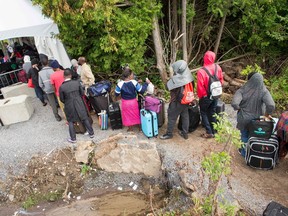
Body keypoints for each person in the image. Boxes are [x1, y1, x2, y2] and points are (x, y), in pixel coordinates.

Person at [231, 72, 275, 157]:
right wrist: (266, 114)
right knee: (255, 135)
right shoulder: (264, 91)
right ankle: (253, 152)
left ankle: (244, 153)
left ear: (249, 80)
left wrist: (239, 109)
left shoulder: (242, 90)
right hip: (257, 120)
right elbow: (271, 105)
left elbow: (234, 103)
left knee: (244, 135)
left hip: (243, 118)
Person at [160, 60, 194, 140]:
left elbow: (168, 87)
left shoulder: (176, 80)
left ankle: (169, 134)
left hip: (176, 102)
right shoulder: (190, 77)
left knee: (171, 117)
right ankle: (185, 133)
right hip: (186, 100)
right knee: (185, 116)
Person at [59, 69, 94, 143]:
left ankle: (73, 138)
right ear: (71, 75)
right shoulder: (77, 83)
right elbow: (82, 93)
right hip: (79, 102)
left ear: (63, 76)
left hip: (69, 104)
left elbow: (62, 99)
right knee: (84, 117)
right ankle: (91, 133)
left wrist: (67, 101)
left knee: (71, 121)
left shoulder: (62, 87)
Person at [197, 51, 224, 138]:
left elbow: (200, 86)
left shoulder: (201, 71)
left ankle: (209, 132)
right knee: (212, 111)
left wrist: (202, 96)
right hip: (215, 94)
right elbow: (221, 81)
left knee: (203, 112)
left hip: (206, 96)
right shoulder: (218, 67)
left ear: (205, 58)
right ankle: (215, 130)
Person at [115, 67, 150, 131]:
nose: (133, 75)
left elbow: (116, 93)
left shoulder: (119, 84)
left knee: (127, 115)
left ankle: (130, 128)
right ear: (129, 76)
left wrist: (121, 95)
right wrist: (146, 83)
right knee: (136, 114)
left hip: (125, 102)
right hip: (133, 102)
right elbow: (141, 90)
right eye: (132, 74)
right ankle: (140, 127)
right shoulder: (134, 82)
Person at [39, 55, 62, 121]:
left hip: (48, 90)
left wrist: (45, 89)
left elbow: (40, 84)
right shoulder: (52, 69)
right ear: (48, 62)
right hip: (56, 88)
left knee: (52, 103)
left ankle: (57, 116)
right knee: (60, 100)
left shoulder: (40, 73)